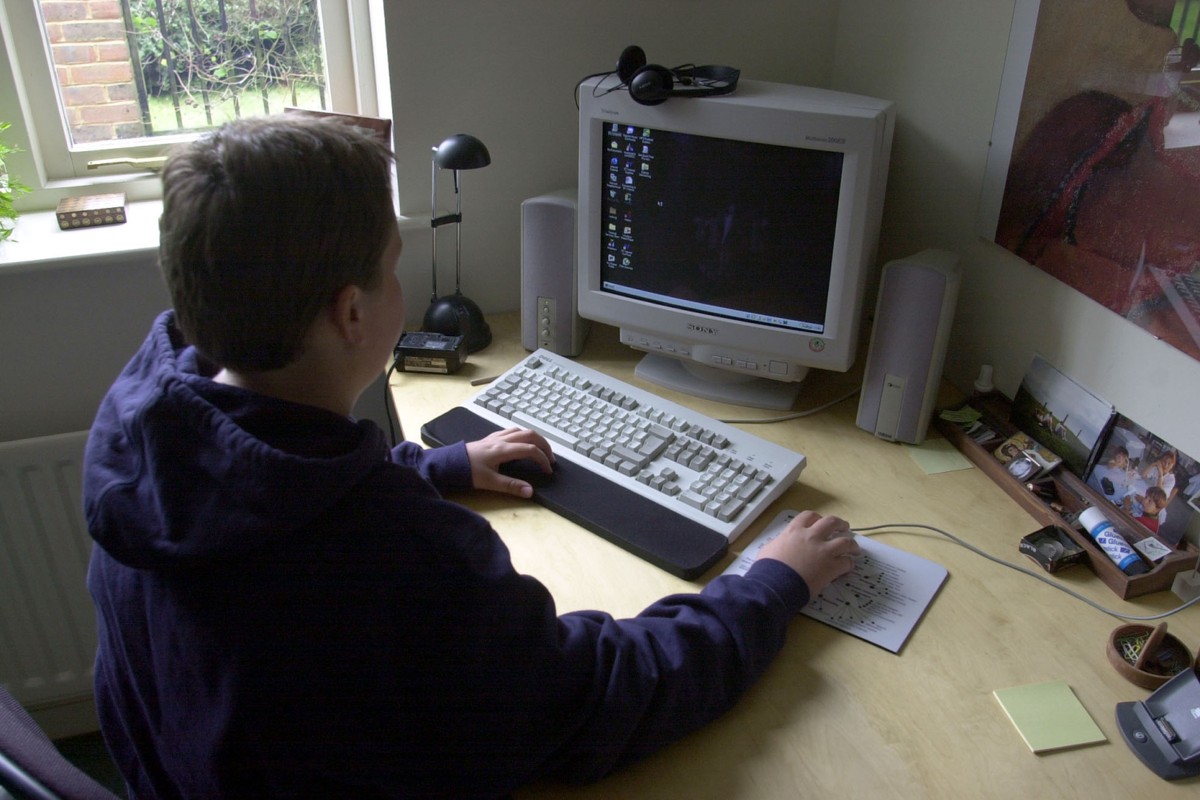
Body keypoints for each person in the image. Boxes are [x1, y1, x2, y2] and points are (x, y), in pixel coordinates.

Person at [82, 115, 861, 799]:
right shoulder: (400, 552)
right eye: (392, 268)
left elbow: (264, 481)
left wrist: (438, 467)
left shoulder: (146, 431)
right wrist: (771, 585)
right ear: (352, 313)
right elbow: (590, 703)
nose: (401, 287)